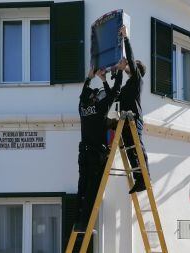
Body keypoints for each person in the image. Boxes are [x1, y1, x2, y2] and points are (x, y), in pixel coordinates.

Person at [75, 64, 124, 232]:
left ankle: (78, 222)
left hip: (84, 154)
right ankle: (85, 225)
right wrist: (111, 77)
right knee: (92, 191)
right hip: (95, 156)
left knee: (82, 188)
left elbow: (83, 94)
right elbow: (115, 91)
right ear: (94, 98)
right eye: (96, 96)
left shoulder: (82, 108)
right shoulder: (99, 108)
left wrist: (90, 77)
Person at [118, 25, 149, 194]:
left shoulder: (137, 80)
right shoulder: (128, 84)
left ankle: (145, 177)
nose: (129, 64)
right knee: (130, 149)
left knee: (138, 148)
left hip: (134, 119)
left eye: (132, 64)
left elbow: (130, 58)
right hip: (125, 119)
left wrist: (126, 38)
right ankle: (139, 179)